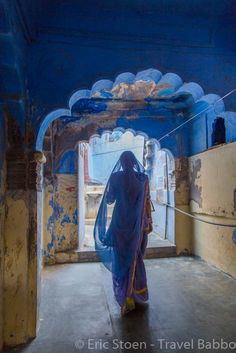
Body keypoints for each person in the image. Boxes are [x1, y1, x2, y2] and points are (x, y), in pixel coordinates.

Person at [94, 151, 153, 315]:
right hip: (139, 226)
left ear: (121, 162)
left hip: (120, 225)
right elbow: (147, 203)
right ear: (134, 163)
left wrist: (111, 194)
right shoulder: (143, 179)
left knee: (121, 259)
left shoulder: (115, 178)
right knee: (136, 257)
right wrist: (149, 222)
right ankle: (136, 294)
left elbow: (110, 199)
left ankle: (125, 297)